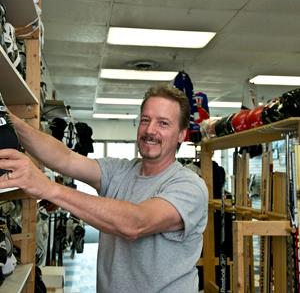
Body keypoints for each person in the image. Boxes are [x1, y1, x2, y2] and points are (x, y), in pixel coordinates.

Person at [0, 84, 208, 293]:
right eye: (145, 120)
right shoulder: (120, 171)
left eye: (163, 123)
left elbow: (135, 223)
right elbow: (65, 158)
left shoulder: (189, 186)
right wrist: (9, 118)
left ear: (182, 134)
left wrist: (48, 188)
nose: (150, 130)